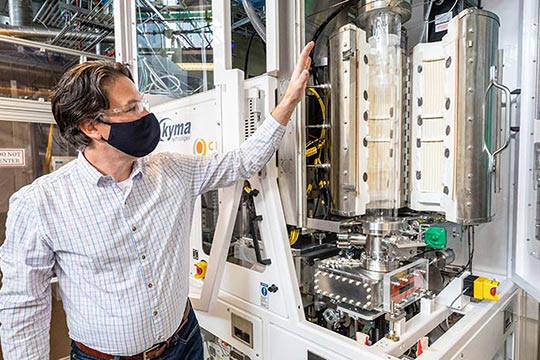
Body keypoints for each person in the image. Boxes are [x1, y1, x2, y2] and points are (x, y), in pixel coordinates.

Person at [0, 41, 315, 360]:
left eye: (143, 103)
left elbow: (242, 162)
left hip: (184, 343)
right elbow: (23, 309)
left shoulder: (173, 170)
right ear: (91, 126)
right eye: (132, 108)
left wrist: (289, 100)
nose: (146, 115)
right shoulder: (40, 204)